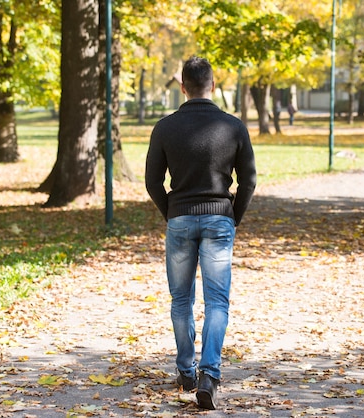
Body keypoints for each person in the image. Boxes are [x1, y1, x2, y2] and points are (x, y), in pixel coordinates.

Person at [145, 56, 256, 410]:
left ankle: (186, 372)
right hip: (219, 220)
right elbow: (249, 180)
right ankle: (209, 374)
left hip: (179, 219)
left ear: (182, 86)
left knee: (181, 301)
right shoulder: (233, 126)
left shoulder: (164, 127)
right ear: (213, 83)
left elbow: (152, 182)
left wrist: (171, 213)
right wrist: (231, 216)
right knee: (217, 302)